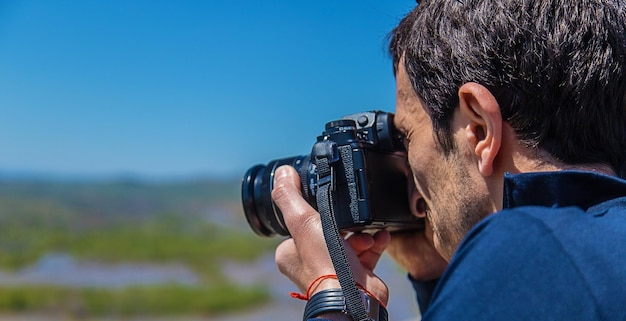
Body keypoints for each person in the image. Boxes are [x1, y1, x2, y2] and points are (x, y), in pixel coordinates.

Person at [271, 0, 626, 320]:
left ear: (479, 129)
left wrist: (336, 294)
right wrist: (433, 273)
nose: (415, 191)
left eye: (408, 137)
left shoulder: (527, 254)